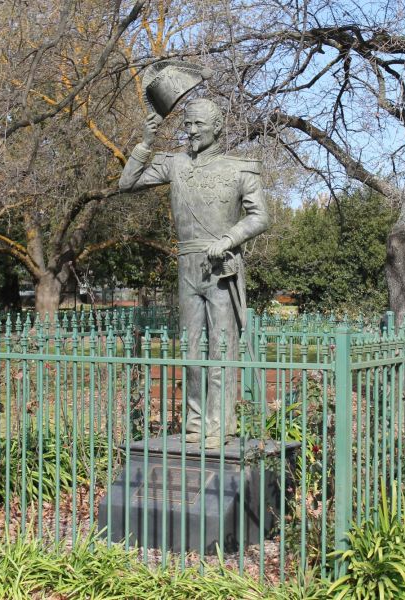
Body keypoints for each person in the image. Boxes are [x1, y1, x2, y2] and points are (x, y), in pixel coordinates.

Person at [119, 98, 270, 447]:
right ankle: (196, 422)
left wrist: (230, 238)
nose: (190, 130)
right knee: (189, 351)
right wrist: (145, 141)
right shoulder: (175, 163)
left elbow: (260, 216)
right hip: (187, 265)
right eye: (187, 124)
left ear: (216, 127)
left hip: (221, 268)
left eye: (198, 124)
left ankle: (220, 425)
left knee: (221, 349)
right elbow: (127, 182)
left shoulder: (240, 168)